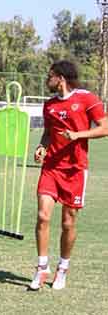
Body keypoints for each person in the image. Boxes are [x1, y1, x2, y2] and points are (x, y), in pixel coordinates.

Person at [29, 60, 108, 290]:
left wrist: (77, 135)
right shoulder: (49, 105)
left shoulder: (86, 98)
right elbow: (47, 134)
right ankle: (42, 268)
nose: (47, 80)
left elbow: (104, 127)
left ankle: (63, 268)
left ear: (61, 78)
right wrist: (41, 146)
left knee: (67, 222)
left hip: (75, 170)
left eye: (50, 76)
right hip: (51, 168)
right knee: (43, 216)